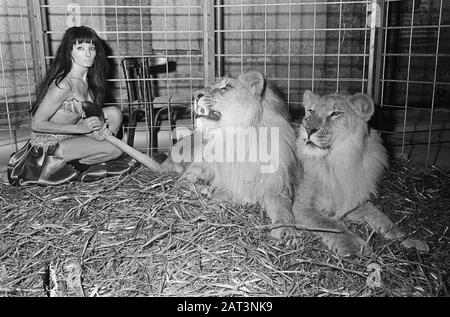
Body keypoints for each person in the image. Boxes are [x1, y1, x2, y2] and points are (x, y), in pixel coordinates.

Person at [8, 26, 138, 186]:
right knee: (116, 149)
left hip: (69, 136)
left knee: (114, 113)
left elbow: (84, 122)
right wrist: (81, 129)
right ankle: (70, 168)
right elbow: (36, 124)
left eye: (92, 48)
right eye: (81, 48)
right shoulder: (63, 85)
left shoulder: (87, 81)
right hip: (46, 147)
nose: (88, 53)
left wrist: (97, 134)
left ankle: (76, 161)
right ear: (69, 51)